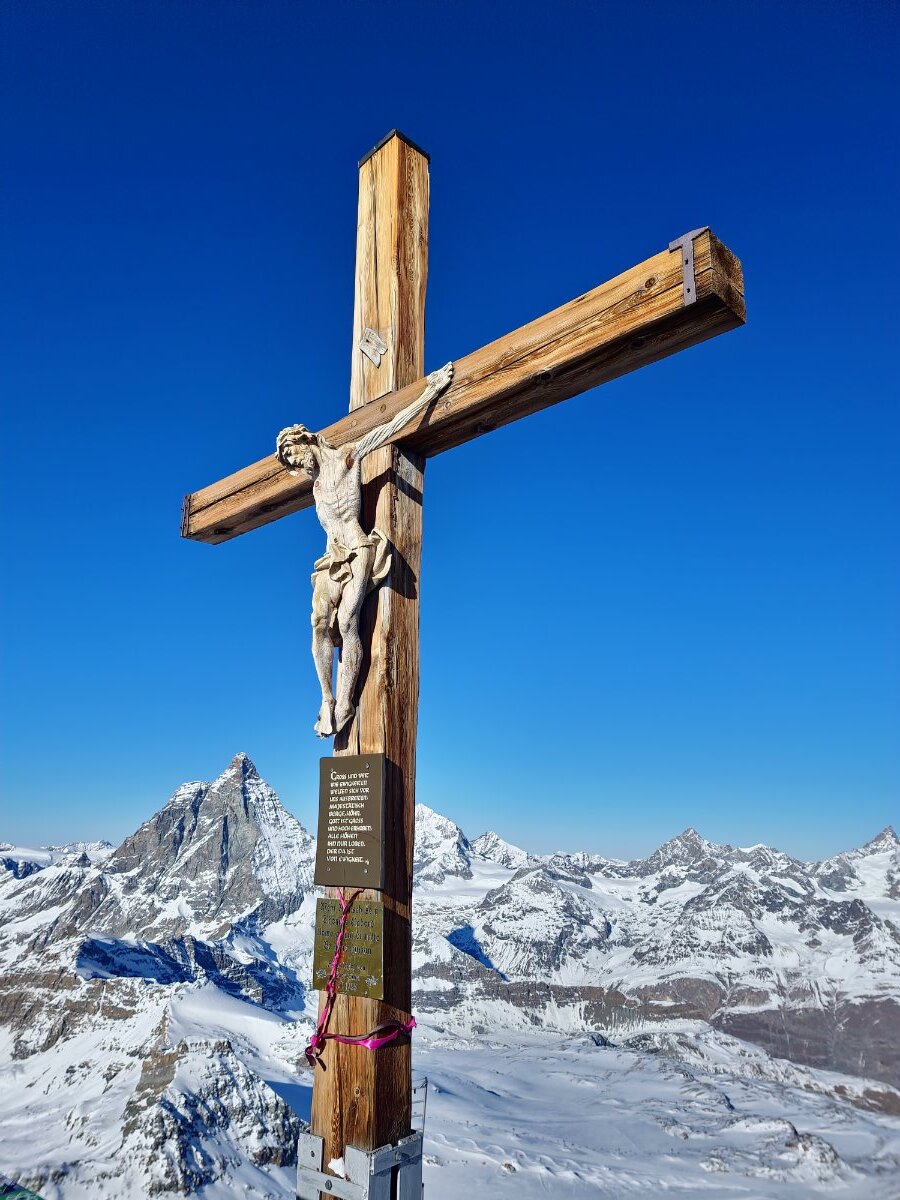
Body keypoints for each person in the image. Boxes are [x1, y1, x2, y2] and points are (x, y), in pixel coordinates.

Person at [276, 362, 454, 737]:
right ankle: (326, 698)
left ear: (306, 440)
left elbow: (391, 427)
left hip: (358, 548)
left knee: (347, 621)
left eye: (292, 453)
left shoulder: (347, 456)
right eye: (289, 461)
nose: (294, 462)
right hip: (331, 557)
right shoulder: (314, 486)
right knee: (319, 623)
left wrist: (430, 391)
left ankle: (346, 702)